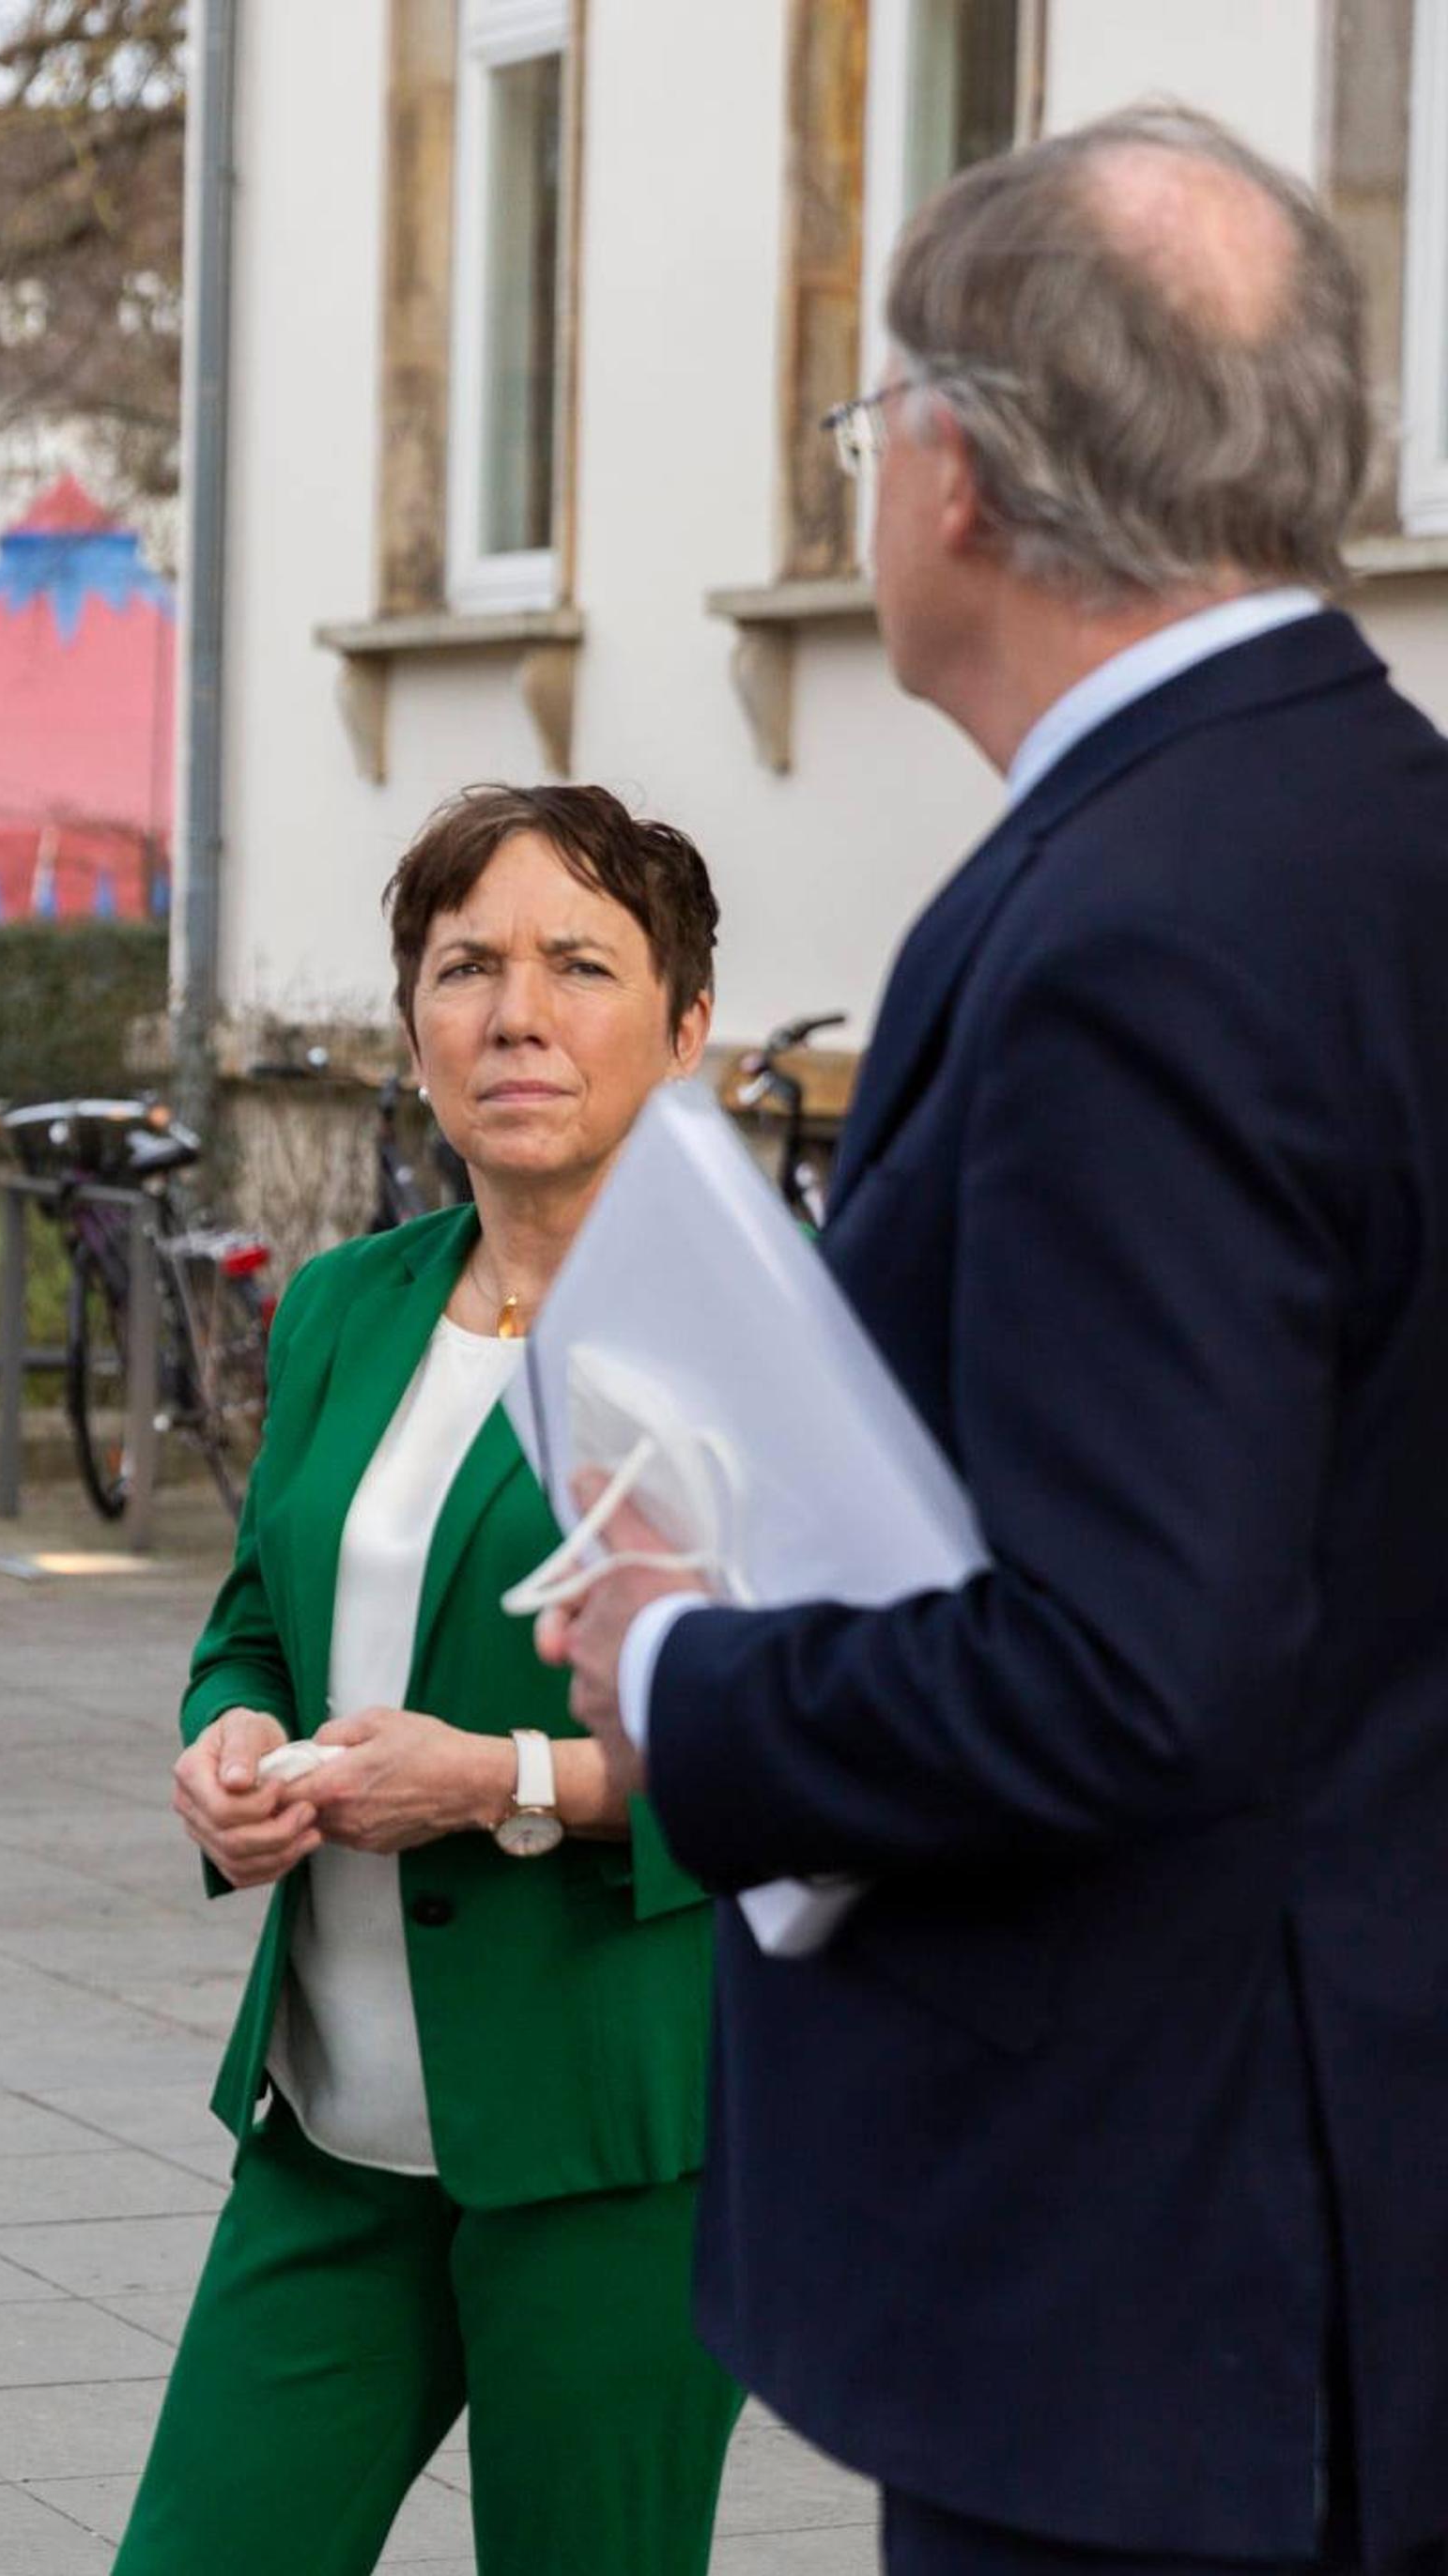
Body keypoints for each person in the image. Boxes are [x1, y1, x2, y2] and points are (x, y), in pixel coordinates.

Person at [535, 110, 1448, 2576]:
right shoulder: (1378, 822)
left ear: (953, 472)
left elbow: (1131, 1671)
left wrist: (690, 1676)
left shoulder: (1136, 926)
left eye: (867, 425)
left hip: (1170, 2301)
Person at [119, 783, 739, 2576]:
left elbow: (833, 1747)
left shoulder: (761, 1345)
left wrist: (502, 1782)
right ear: (414, 1026)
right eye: (467, 966)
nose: (516, 1014)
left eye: (580, 965)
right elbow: (256, 1625)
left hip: (618, 2144)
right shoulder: (345, 1308)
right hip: (329, 2127)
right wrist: (222, 1741)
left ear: (685, 1027)